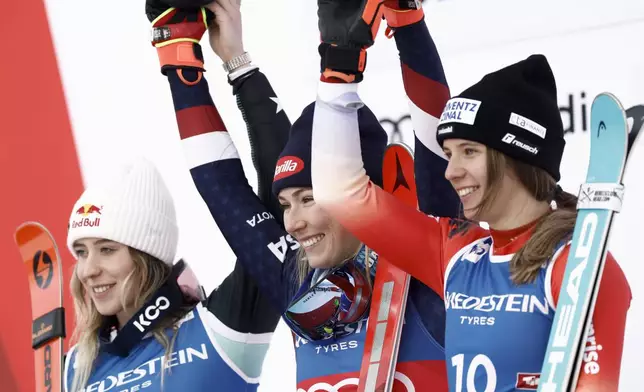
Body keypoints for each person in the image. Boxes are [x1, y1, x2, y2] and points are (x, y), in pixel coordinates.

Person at [309, 8, 632, 390]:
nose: (451, 171)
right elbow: (338, 193)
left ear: (515, 157)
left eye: (469, 152)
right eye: (449, 154)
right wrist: (338, 72)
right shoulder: (457, 253)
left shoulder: (576, 266)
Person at [162, 0, 458, 390]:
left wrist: (407, 22)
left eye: (309, 198)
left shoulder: (430, 261)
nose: (293, 223)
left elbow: (436, 137)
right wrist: (183, 56)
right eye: (285, 203)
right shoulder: (297, 280)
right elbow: (221, 186)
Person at [62, 1, 293, 390]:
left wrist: (232, 64)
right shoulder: (77, 366)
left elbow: (285, 195)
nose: (88, 270)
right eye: (81, 252)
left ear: (146, 253)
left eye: (106, 249)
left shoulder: (223, 328)